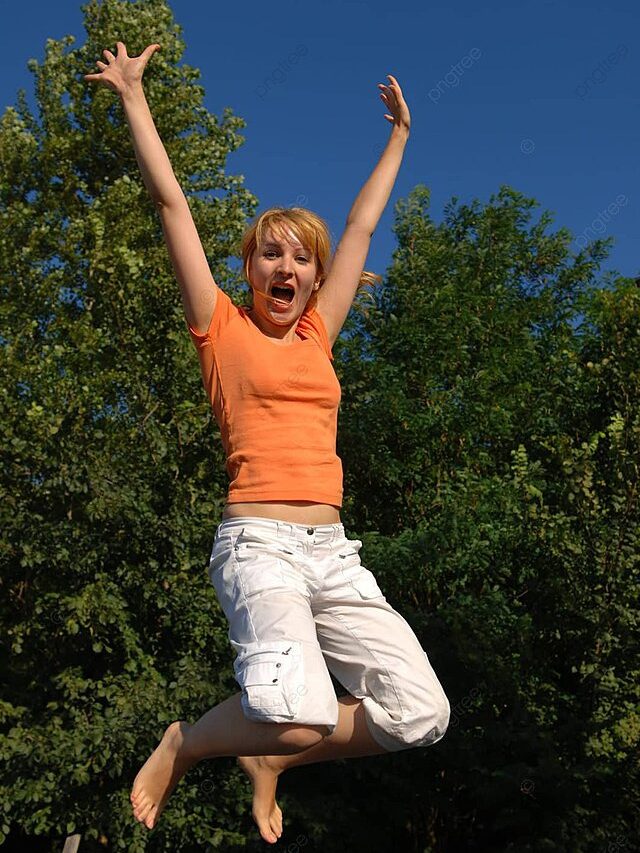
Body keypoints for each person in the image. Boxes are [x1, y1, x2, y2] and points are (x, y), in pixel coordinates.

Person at [84, 42, 450, 845]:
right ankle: (188, 741)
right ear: (248, 267)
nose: (286, 266)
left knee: (422, 713)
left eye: (300, 257)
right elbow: (174, 205)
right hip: (258, 545)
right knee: (294, 713)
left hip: (334, 553)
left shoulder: (320, 333)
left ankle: (273, 758)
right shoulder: (220, 327)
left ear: (315, 278)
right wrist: (135, 99)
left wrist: (398, 139)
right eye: (270, 252)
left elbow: (358, 227)